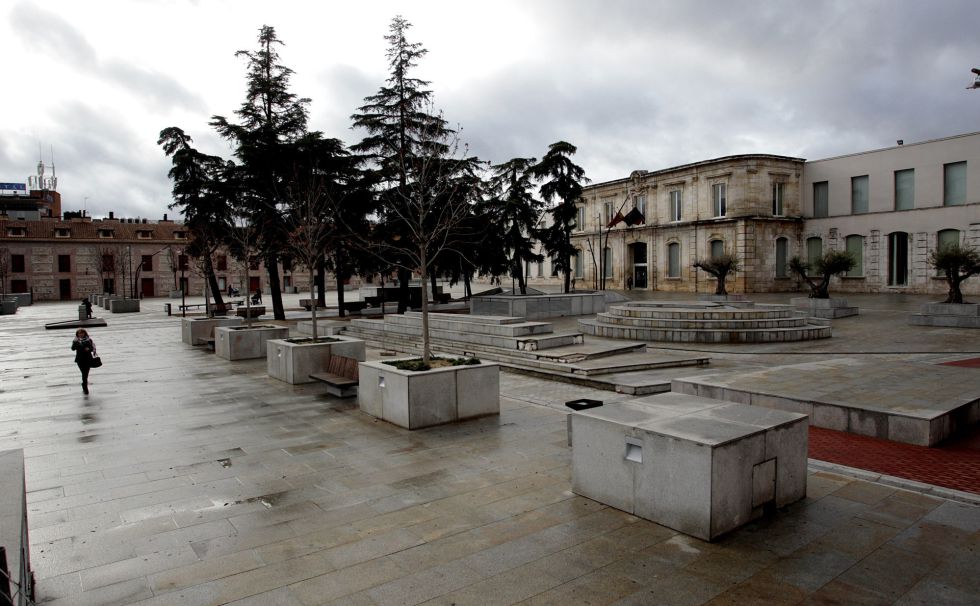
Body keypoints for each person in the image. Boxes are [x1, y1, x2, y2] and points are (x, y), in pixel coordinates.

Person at [71, 328, 96, 394]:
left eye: (82, 333)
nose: (81, 334)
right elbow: (73, 349)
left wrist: (89, 349)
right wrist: (74, 342)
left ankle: (85, 386)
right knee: (84, 373)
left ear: (85, 333)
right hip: (79, 359)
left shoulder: (89, 340)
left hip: (88, 359)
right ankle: (84, 385)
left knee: (85, 373)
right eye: (79, 333)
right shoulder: (75, 341)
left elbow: (92, 348)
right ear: (77, 334)